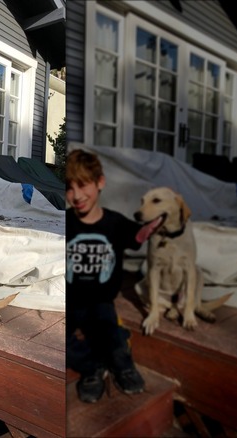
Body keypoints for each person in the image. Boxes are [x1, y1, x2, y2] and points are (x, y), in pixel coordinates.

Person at [65, 148, 146, 403]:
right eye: (69, 187)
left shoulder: (115, 223)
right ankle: (92, 368)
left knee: (111, 332)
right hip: (71, 301)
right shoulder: (66, 222)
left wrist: (161, 219)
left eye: (83, 185)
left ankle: (123, 365)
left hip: (101, 300)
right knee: (62, 346)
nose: (76, 195)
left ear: (100, 182)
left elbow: (140, 236)